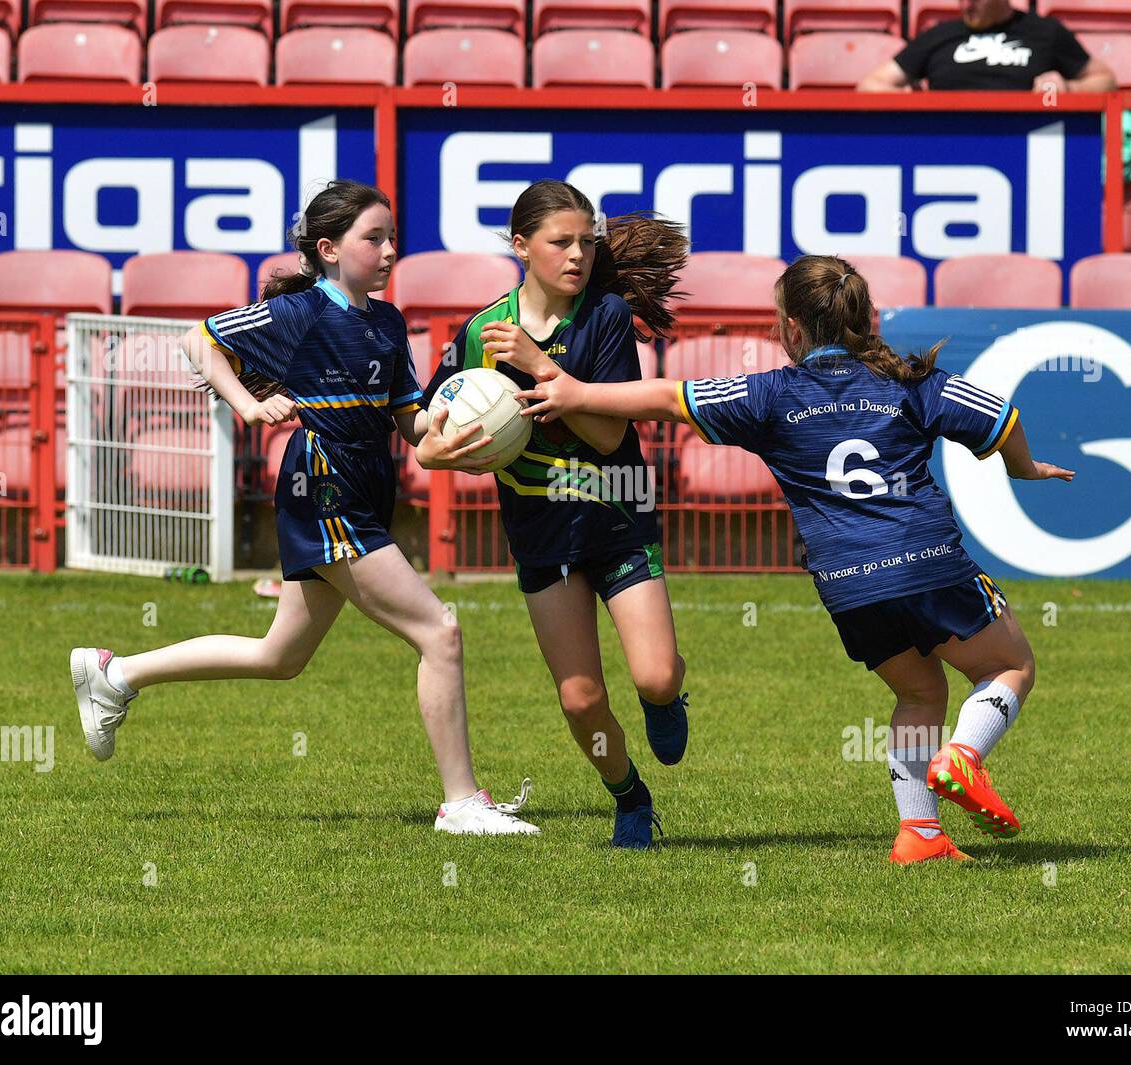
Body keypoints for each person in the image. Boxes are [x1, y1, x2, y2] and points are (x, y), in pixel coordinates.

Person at [505, 254, 1076, 864]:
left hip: (848, 588)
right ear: (866, 319)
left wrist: (576, 391)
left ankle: (921, 835)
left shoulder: (768, 394)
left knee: (919, 691)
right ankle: (963, 758)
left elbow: (669, 399)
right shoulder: (911, 384)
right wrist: (1023, 467)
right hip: (927, 562)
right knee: (1010, 666)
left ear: (793, 330)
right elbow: (999, 417)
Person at [70, 179, 538, 837]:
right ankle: (461, 802)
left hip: (365, 488)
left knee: (280, 656)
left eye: (391, 237)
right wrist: (249, 404)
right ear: (327, 247)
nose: (387, 250)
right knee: (440, 632)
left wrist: (465, 433)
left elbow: (412, 427)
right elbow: (198, 341)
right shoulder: (302, 314)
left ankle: (117, 675)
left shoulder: (387, 320)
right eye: (372, 238)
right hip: (322, 487)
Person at [420, 180, 690, 850]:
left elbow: (606, 438)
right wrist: (442, 450)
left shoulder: (602, 318)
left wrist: (541, 367)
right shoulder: (483, 331)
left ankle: (664, 701)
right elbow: (428, 427)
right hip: (542, 533)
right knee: (580, 700)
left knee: (655, 674)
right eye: (559, 242)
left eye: (585, 242)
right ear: (521, 246)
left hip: (616, 517)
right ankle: (629, 797)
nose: (577, 255)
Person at [858, 0, 1116, 93]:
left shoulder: (1045, 32)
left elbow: (1106, 80)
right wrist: (909, 102)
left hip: (1031, 145)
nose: (965, 5)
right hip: (949, 145)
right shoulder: (939, 35)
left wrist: (1068, 87)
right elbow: (871, 84)